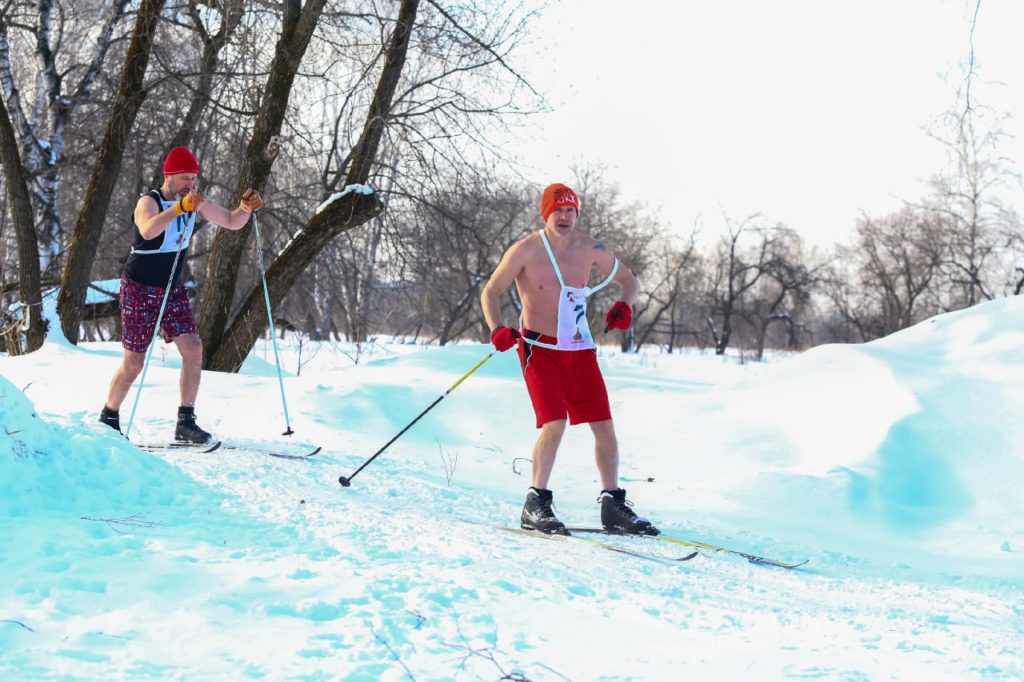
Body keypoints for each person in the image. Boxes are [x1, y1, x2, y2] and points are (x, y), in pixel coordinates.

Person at [480, 182, 659, 536]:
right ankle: (536, 502)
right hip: (539, 349)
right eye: (557, 210)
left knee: (604, 425)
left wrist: (624, 304)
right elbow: (492, 290)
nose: (564, 216)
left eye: (570, 210)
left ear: (577, 213)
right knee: (555, 423)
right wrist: (497, 328)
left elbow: (630, 280)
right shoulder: (526, 250)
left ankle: (613, 504)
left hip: (578, 349)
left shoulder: (591, 248)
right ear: (545, 213)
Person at [98, 146, 263, 443]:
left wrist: (246, 208)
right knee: (134, 362)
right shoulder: (149, 201)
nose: (190, 184)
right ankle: (108, 417)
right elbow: (148, 230)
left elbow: (230, 221)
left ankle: (185, 422)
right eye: (184, 178)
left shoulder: (194, 201)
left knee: (193, 348)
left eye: (193, 178)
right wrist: (179, 209)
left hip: (172, 289)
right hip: (139, 289)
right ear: (169, 176)